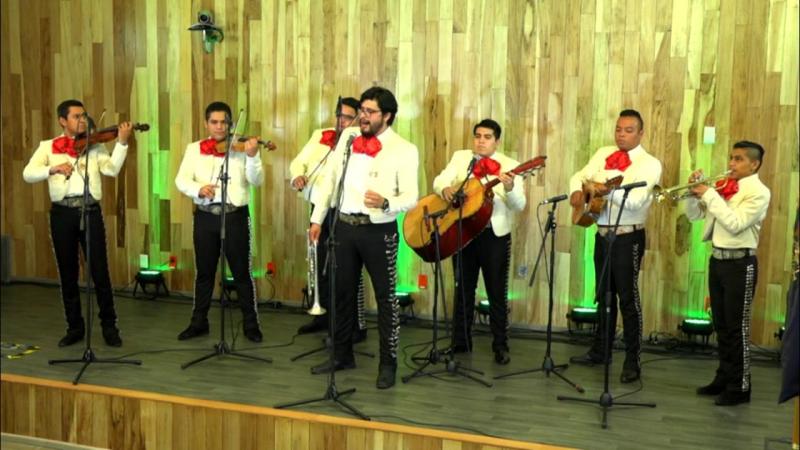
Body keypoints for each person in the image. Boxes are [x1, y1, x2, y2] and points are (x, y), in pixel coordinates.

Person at [307, 86, 419, 389]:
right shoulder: (348, 138)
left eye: (370, 112)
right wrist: (317, 219)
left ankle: (388, 364)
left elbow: (412, 196)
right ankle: (342, 355)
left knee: (386, 299)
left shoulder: (404, 149)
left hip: (377, 230)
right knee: (341, 293)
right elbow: (329, 180)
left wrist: (387, 203)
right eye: (363, 111)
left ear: (387, 116)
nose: (362, 117)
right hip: (342, 226)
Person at [23, 99, 132, 347]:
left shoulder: (94, 146)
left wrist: (122, 142)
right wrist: (51, 169)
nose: (82, 120)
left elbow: (112, 170)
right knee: (68, 272)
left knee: (100, 272)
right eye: (76, 117)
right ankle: (74, 327)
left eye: (84, 116)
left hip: (90, 211)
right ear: (63, 120)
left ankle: (109, 326)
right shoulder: (48, 147)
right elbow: (28, 173)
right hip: (62, 214)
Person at [568, 109, 662, 383]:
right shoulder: (602, 152)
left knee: (628, 299)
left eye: (628, 130)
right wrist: (578, 189)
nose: (621, 134)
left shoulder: (649, 163)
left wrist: (607, 191)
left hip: (628, 237)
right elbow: (580, 175)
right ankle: (601, 350)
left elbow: (637, 201)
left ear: (641, 133)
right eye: (619, 129)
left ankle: (633, 361)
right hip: (602, 233)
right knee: (603, 295)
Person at [432, 118, 525, 365]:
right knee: (463, 288)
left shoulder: (510, 165)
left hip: (494, 235)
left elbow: (519, 205)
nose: (481, 141)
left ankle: (500, 345)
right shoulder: (461, 158)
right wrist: (445, 190)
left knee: (497, 292)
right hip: (463, 234)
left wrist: (511, 186)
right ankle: (460, 342)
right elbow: (439, 180)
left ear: (497, 140)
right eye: (478, 136)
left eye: (487, 137)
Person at [687, 140, 771, 406]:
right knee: (721, 326)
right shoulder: (724, 188)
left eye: (738, 159)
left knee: (737, 329)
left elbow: (735, 224)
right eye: (731, 158)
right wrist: (693, 194)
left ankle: (740, 387)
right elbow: (695, 218)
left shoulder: (759, 192)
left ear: (754, 164)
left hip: (740, 265)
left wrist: (709, 194)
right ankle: (723, 377)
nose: (731, 164)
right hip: (718, 260)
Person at [175, 101, 264, 343]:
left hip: (235, 216)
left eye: (224, 122)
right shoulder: (194, 149)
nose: (219, 127)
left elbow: (256, 180)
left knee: (241, 273)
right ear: (206, 124)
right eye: (214, 122)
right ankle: (198, 322)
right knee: (204, 272)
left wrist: (253, 156)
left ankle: (251, 323)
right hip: (205, 217)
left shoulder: (243, 147)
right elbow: (181, 180)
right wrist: (198, 188)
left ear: (230, 124)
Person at [289, 97, 367, 341]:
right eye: (339, 116)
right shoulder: (320, 135)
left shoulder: (361, 140)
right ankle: (322, 316)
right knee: (318, 262)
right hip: (318, 209)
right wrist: (298, 176)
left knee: (346, 270)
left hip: (344, 210)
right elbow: (298, 161)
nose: (341, 121)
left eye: (347, 117)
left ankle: (354, 326)